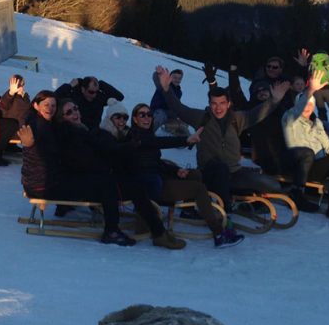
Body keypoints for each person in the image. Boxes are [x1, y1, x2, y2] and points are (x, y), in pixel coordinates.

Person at [104, 100, 243, 248]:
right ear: (135, 119)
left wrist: (175, 170)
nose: (147, 118)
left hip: (156, 178)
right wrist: (185, 140)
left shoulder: (145, 134)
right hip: (151, 186)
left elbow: (156, 162)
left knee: (195, 174)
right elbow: (157, 143)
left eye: (149, 114)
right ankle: (219, 233)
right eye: (142, 115)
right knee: (198, 188)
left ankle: (189, 211)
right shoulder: (135, 137)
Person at [55, 98, 186, 250]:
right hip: (84, 184)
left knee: (134, 187)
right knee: (129, 187)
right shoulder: (76, 134)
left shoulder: (83, 130)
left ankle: (159, 232)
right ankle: (116, 231)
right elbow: (90, 157)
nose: (75, 113)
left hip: (95, 179)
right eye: (69, 112)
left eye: (76, 108)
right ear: (62, 117)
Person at [156, 65, 286, 213]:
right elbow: (178, 108)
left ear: (228, 104)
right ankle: (227, 209)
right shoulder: (200, 117)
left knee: (273, 185)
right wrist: (166, 89)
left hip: (234, 172)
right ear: (209, 104)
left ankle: (245, 201)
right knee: (220, 168)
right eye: (214, 104)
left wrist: (274, 101)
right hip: (209, 172)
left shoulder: (237, 119)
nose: (218, 108)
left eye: (222, 103)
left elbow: (256, 114)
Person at [18, 91, 136, 247]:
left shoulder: (48, 124)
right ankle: (111, 231)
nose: (50, 108)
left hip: (46, 180)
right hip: (43, 185)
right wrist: (30, 146)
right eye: (46, 104)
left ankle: (78, 208)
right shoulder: (42, 126)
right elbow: (38, 153)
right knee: (105, 182)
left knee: (97, 178)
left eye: (53, 105)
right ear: (35, 105)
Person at [282, 70, 329, 224]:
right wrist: (310, 91)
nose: (307, 107)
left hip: (315, 166)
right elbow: (298, 108)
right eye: (305, 104)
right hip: (297, 167)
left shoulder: (317, 124)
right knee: (319, 156)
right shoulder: (290, 118)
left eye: (311, 104)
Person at [55, 75, 124, 130]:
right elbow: (54, 97)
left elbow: (119, 97)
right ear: (83, 89)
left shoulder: (99, 97)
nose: (94, 95)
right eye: (91, 92)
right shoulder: (75, 96)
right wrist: (69, 86)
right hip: (77, 131)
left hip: (94, 133)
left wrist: (101, 84)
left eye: (97, 91)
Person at [150, 68, 190, 135]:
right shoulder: (163, 85)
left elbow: (176, 105)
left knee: (184, 121)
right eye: (175, 77)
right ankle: (148, 133)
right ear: (170, 78)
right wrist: (158, 73)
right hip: (157, 111)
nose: (177, 80)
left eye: (179, 78)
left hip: (170, 113)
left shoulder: (179, 92)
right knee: (161, 116)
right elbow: (156, 78)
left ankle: (185, 138)